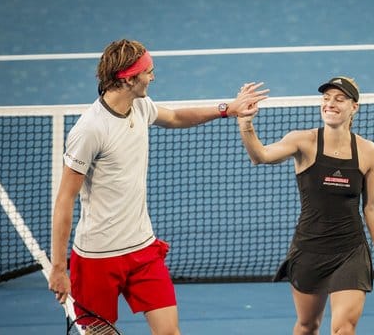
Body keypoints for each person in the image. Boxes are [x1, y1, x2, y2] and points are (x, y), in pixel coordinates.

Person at [47, 39, 268, 334]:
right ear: (127, 78)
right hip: (98, 257)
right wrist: (60, 268)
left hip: (142, 250)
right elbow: (65, 199)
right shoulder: (90, 130)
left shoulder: (140, 106)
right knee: (101, 333)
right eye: (148, 72)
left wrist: (228, 108)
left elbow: (175, 117)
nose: (153, 77)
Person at [237, 77, 374, 335]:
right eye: (326, 98)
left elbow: (373, 207)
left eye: (339, 99)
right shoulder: (303, 141)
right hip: (310, 249)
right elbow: (260, 156)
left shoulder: (368, 151)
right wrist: (246, 123)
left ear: (354, 107)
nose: (330, 104)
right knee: (308, 326)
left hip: (350, 251)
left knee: (344, 328)